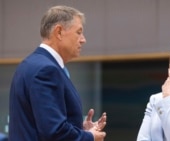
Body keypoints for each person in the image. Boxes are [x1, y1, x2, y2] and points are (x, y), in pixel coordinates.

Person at [9, 5, 106, 141]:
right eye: (79, 32)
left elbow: (40, 124)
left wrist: (78, 128)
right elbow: (54, 132)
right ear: (59, 32)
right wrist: (90, 137)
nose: (83, 39)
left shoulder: (29, 64)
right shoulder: (47, 70)